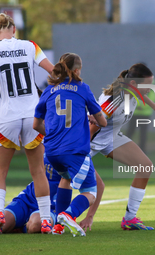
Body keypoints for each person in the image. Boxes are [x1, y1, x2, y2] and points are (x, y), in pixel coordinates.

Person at [0, 13, 54, 234]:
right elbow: (53, 71)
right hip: (32, 116)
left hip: (6, 117)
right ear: (15, 29)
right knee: (38, 170)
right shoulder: (30, 46)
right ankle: (46, 220)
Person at [90, 63, 155, 230]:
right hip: (89, 141)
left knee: (145, 166)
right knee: (68, 180)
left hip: (111, 137)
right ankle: (50, 215)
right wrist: (79, 154)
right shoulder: (114, 101)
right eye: (147, 85)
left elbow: (142, 95)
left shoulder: (132, 91)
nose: (150, 89)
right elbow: (92, 127)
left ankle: (129, 219)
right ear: (133, 85)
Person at [33, 53, 107, 237]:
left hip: (51, 152)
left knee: (65, 179)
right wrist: (91, 117)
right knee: (91, 192)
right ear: (76, 70)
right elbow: (103, 122)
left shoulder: (49, 90)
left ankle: (58, 226)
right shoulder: (82, 88)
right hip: (75, 151)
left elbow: (36, 125)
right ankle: (68, 214)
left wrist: (53, 133)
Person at [0, 154, 105, 234]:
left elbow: (98, 184)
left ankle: (25, 225)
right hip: (28, 198)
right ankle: (18, 223)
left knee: (35, 225)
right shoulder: (42, 139)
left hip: (51, 204)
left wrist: (90, 216)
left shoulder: (74, 150)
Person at [126, 89, 155, 155]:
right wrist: (138, 106)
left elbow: (151, 101)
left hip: (145, 115)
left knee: (143, 134)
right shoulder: (136, 90)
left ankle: (142, 150)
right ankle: (124, 148)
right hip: (134, 114)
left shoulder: (152, 92)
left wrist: (140, 106)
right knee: (130, 132)